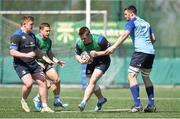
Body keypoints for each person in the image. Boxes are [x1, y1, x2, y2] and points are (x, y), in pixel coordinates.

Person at [105, 5, 156, 113]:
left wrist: (113, 47)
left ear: (131, 13)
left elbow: (124, 35)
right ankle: (151, 105)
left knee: (131, 75)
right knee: (146, 77)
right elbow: (153, 39)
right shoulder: (147, 23)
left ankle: (137, 105)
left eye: (126, 14)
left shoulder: (132, 22)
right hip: (150, 52)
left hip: (140, 52)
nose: (125, 16)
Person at [9, 16, 54, 113]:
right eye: (31, 24)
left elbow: (36, 50)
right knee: (28, 84)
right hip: (21, 64)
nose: (33, 26)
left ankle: (44, 106)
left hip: (32, 63)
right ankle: (24, 100)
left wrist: (46, 59)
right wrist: (26, 55)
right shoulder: (17, 35)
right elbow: (12, 52)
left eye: (33, 24)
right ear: (24, 24)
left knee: (43, 82)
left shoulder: (32, 35)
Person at [33, 23, 68, 111]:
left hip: (45, 63)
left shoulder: (49, 41)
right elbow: (31, 54)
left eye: (49, 31)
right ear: (41, 30)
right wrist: (37, 63)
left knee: (57, 80)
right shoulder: (35, 40)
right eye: (46, 31)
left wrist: (57, 61)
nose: (48, 32)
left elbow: (49, 53)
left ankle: (56, 100)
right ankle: (37, 98)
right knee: (47, 85)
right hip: (36, 64)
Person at [75, 26, 111, 112]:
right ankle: (101, 99)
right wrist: (80, 60)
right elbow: (77, 54)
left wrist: (97, 53)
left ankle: (83, 102)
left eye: (84, 38)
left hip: (103, 61)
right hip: (91, 62)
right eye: (81, 38)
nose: (83, 40)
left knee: (92, 81)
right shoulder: (79, 43)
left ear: (89, 35)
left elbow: (111, 50)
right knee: (91, 82)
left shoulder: (100, 40)